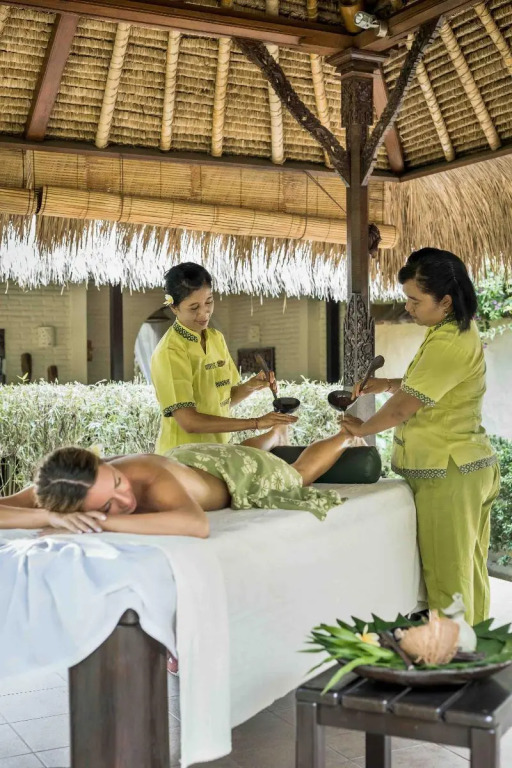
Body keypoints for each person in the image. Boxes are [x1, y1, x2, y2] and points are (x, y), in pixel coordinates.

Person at [341, 247, 499, 625]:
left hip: (448, 472)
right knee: (466, 572)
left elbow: (403, 409)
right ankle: (475, 650)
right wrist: (387, 384)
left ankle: (453, 654)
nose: (408, 307)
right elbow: (431, 386)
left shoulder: (448, 342)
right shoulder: (454, 329)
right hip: (465, 467)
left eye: (415, 300)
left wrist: (361, 428)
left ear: (445, 301)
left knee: (448, 581)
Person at [0, 430, 365, 536]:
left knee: (298, 474)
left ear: (102, 463)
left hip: (240, 473)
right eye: (107, 504)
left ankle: (345, 436)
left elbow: (195, 524)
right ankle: (273, 433)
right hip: (192, 458)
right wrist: (50, 517)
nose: (125, 499)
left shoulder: (149, 477)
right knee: (241, 450)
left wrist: (101, 520)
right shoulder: (67, 483)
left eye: (118, 482)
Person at [151, 263, 295, 453]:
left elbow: (224, 402)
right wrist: (256, 423)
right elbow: (189, 422)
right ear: (174, 307)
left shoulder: (216, 338)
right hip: (182, 456)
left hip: (218, 450)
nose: (204, 313)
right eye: (194, 307)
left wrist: (251, 386)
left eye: (209, 302)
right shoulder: (171, 350)